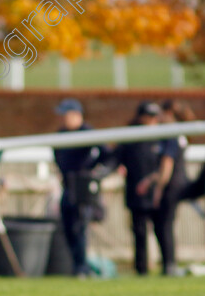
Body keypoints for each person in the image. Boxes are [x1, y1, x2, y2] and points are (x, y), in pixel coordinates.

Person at [115, 101, 181, 275]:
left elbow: (167, 165)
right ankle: (141, 269)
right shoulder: (130, 137)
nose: (151, 120)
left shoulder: (167, 135)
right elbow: (117, 158)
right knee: (139, 232)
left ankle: (169, 266)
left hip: (161, 192)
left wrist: (157, 186)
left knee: (164, 229)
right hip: (137, 193)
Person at [52, 98, 111, 277]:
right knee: (68, 226)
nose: (62, 118)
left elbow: (107, 155)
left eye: (65, 115)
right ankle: (78, 266)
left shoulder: (88, 132)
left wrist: (94, 173)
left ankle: (82, 268)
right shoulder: (60, 134)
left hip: (83, 187)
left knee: (80, 226)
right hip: (68, 186)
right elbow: (57, 156)